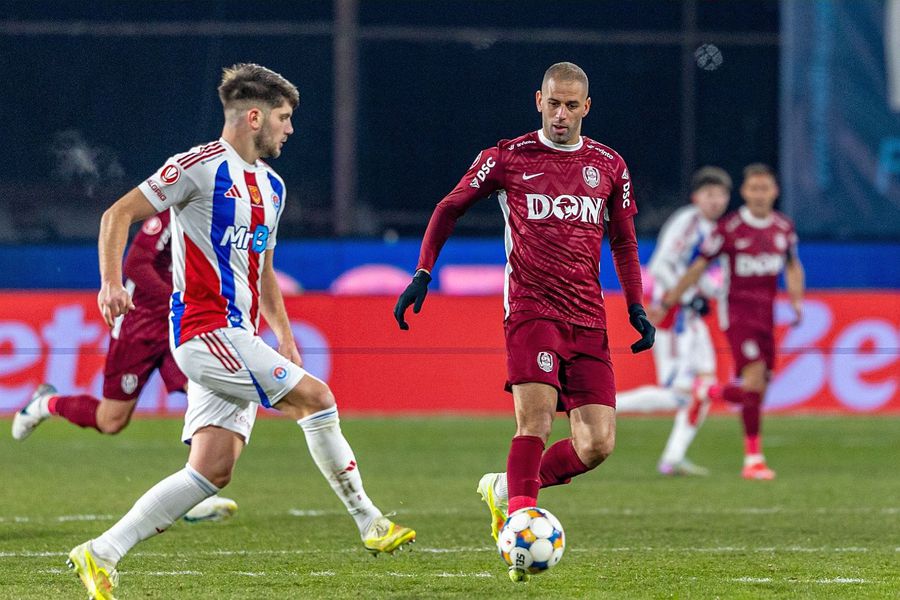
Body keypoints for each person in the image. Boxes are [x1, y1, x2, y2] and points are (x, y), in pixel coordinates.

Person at [67, 63, 414, 600]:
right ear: (254, 117)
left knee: (211, 470)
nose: (289, 129)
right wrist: (111, 283)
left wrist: (286, 335)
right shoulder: (197, 168)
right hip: (203, 334)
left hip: (237, 337)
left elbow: (264, 271)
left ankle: (102, 551)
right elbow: (117, 214)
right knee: (317, 399)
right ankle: (370, 521)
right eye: (283, 117)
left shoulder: (272, 187)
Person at [394, 62, 654, 581]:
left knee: (596, 445)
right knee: (534, 421)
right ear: (539, 100)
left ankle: (503, 487)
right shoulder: (507, 157)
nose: (561, 114)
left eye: (571, 105)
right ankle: (518, 522)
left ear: (587, 107)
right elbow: (449, 208)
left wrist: (636, 306)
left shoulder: (609, 165)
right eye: (553, 103)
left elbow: (623, 241)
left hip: (588, 317)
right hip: (531, 311)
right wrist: (423, 272)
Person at [12, 210, 237, 522]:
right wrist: (175, 299)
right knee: (111, 420)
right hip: (140, 324)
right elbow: (135, 264)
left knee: (203, 389)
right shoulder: (171, 212)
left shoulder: (221, 214)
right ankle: (45, 404)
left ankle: (192, 492)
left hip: (179, 328)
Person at [663, 163, 805, 480]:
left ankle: (710, 392)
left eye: (764, 188)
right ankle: (753, 459)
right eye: (753, 189)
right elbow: (699, 265)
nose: (759, 194)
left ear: (774, 192)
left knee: (759, 390)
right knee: (754, 381)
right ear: (744, 192)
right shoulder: (730, 229)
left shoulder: (783, 227)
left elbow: (793, 265)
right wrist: (671, 298)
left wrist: (796, 300)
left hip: (766, 315)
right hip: (737, 313)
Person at [615, 166, 731, 476]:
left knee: (704, 387)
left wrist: (708, 291)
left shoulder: (715, 229)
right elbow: (661, 264)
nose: (716, 200)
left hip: (691, 315)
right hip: (673, 316)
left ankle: (673, 458)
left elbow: (701, 274)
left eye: (721, 195)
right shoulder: (687, 222)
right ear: (697, 197)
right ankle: (602, 404)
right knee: (681, 394)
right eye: (709, 194)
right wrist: (682, 297)